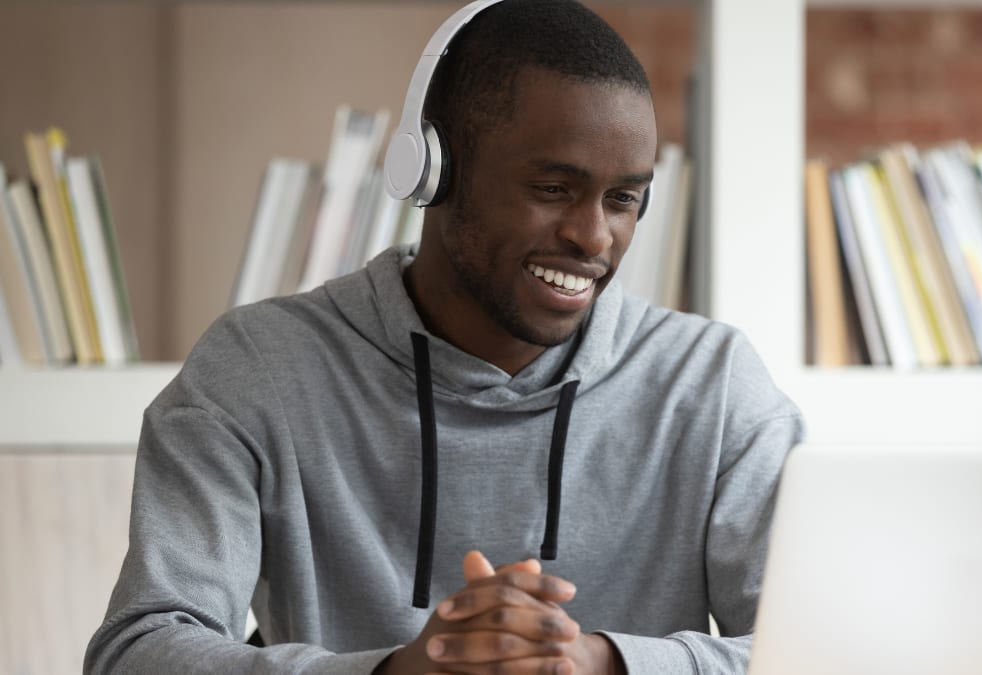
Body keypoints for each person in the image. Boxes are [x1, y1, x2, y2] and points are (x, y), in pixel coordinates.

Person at [85, 1, 803, 673]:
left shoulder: (712, 384)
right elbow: (138, 648)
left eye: (624, 200)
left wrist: (601, 661)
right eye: (553, 188)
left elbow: (830, 649)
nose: (593, 236)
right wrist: (391, 671)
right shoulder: (258, 368)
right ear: (433, 170)